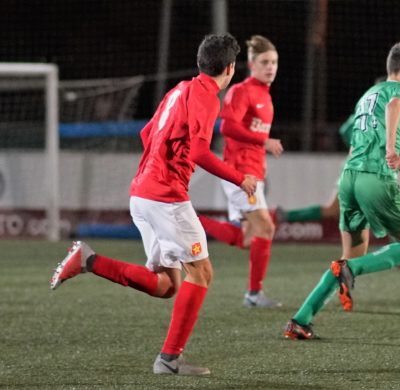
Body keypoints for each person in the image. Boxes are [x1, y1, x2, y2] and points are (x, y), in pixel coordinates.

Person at [50, 33, 258, 375]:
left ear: (200, 62)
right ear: (231, 68)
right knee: (202, 272)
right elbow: (200, 152)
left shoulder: (179, 90)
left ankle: (88, 259)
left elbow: (146, 133)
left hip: (142, 192)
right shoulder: (207, 98)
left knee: (166, 285)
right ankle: (169, 360)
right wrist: (240, 178)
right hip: (165, 197)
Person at [284, 40, 400, 340]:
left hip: (349, 179)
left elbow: (360, 136)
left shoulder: (367, 95)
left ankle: (301, 319)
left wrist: (398, 162)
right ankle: (352, 271)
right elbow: (395, 106)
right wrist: (394, 154)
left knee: (347, 260)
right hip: (376, 179)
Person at [197, 35, 283, 308]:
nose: (270, 67)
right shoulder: (242, 91)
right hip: (238, 172)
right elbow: (226, 127)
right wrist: (264, 141)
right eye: (265, 62)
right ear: (251, 64)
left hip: (254, 171)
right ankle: (254, 295)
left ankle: (193, 220)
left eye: (274, 62)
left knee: (248, 237)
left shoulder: (265, 96)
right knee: (266, 227)